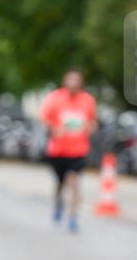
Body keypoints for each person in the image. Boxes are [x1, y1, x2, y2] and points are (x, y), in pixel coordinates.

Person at [39, 68, 97, 234]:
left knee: (74, 181)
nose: (73, 83)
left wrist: (89, 127)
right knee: (60, 183)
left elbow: (93, 122)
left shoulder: (88, 100)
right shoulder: (55, 98)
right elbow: (44, 118)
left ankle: (73, 217)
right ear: (65, 82)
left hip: (78, 149)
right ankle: (58, 203)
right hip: (58, 150)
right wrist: (54, 129)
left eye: (76, 80)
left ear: (81, 83)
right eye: (70, 80)